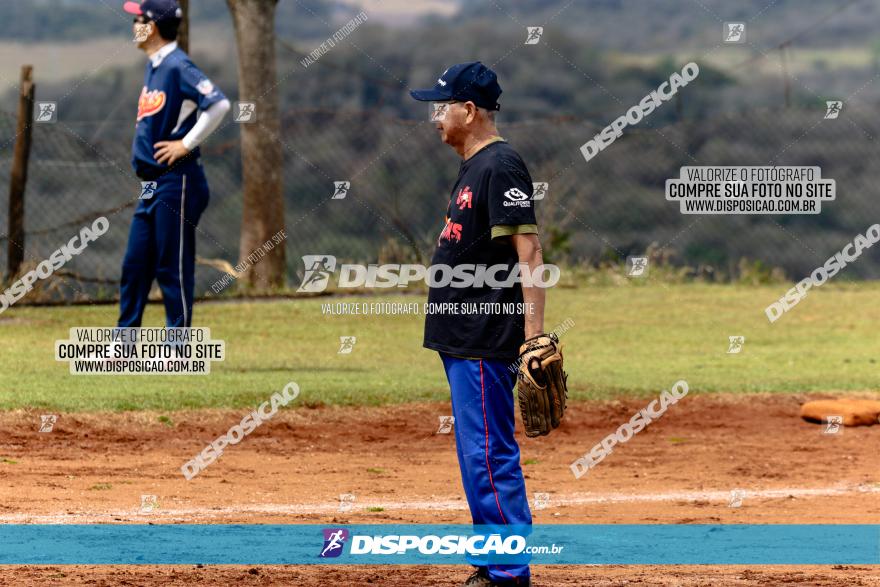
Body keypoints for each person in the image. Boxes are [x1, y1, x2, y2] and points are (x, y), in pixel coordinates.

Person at [410, 61, 546, 587]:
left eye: (441, 106)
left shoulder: (500, 165)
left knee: (489, 455)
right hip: (462, 337)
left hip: (485, 337)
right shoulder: (474, 165)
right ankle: (493, 563)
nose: (435, 117)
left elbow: (529, 252)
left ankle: (509, 572)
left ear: (469, 111)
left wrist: (532, 336)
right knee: (477, 456)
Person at [118, 0, 230, 328]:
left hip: (178, 180)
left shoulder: (177, 66)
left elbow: (219, 104)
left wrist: (186, 144)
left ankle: (177, 347)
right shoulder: (155, 65)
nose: (133, 26)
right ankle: (124, 344)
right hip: (153, 184)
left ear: (151, 27)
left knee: (172, 267)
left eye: (137, 19)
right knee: (135, 265)